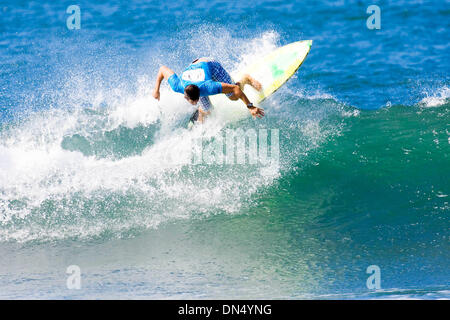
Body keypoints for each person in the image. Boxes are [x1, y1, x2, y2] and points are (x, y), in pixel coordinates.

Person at [152, 57, 265, 123]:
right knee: (208, 109)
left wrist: (251, 107)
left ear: (197, 98)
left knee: (233, 96)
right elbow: (162, 69)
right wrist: (156, 89)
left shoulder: (209, 87)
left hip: (211, 65)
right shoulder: (178, 85)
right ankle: (202, 114)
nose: (185, 99)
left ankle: (245, 79)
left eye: (191, 101)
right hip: (195, 66)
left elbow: (235, 89)